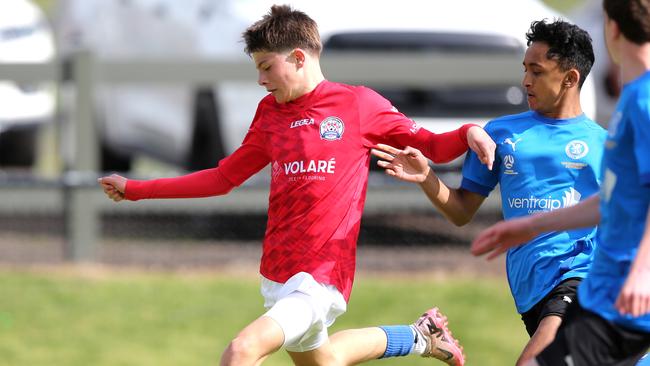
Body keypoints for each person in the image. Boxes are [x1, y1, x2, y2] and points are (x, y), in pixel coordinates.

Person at [98, 5, 497, 366]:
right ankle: (420, 336)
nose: (260, 79)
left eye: (267, 67)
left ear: (299, 57)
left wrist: (469, 132)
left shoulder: (357, 105)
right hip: (277, 275)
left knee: (241, 351)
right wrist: (136, 189)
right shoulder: (270, 114)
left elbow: (432, 145)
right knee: (329, 359)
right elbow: (222, 178)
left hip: (322, 277)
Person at [372, 19, 606, 366]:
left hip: (580, 277)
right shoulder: (500, 133)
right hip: (531, 292)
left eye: (537, 72)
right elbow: (461, 211)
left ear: (570, 78)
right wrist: (426, 177)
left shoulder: (603, 144)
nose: (526, 80)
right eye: (525, 68)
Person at [470, 0, 650, 365]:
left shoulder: (643, 101)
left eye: (535, 70)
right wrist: (531, 225)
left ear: (611, 29)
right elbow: (612, 201)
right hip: (603, 295)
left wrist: (643, 272)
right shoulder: (633, 99)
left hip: (617, 295)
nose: (526, 81)